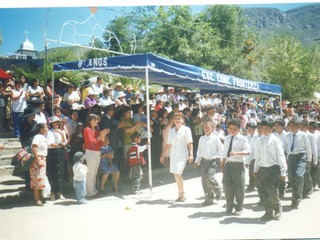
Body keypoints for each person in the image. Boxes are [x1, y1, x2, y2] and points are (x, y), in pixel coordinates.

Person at [253, 120, 287, 221]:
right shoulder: (258, 141)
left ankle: (277, 208)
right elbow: (257, 157)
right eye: (262, 128)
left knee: (272, 191)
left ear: (272, 129)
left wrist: (283, 171)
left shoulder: (276, 140)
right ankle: (268, 212)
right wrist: (255, 169)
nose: (264, 130)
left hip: (273, 169)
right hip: (262, 169)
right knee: (263, 192)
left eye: (266, 128)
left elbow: (281, 156)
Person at [160, 112, 193, 202]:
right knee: (175, 174)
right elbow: (168, 144)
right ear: (173, 121)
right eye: (176, 119)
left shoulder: (186, 129)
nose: (177, 120)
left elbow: (189, 142)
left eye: (179, 118)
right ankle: (179, 193)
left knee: (178, 173)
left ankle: (183, 192)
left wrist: (191, 154)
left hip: (182, 154)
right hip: (173, 155)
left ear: (183, 120)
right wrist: (163, 154)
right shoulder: (171, 131)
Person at [221, 118, 250, 216]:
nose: (232, 130)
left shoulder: (243, 138)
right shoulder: (227, 138)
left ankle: (239, 206)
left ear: (239, 129)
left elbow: (247, 151)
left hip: (238, 165)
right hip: (228, 165)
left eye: (234, 128)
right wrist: (222, 166)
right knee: (226, 185)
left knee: (239, 187)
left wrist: (237, 153)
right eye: (230, 128)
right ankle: (229, 204)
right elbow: (224, 154)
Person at [283, 119, 312, 209]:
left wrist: (309, 159)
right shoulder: (287, 136)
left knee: (299, 176)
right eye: (289, 126)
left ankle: (298, 196)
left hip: (301, 156)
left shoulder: (303, 135)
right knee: (291, 178)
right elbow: (283, 147)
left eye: (292, 126)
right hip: (291, 157)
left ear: (297, 126)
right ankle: (294, 199)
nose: (290, 128)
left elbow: (308, 147)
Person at [194, 121, 223, 207]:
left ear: (212, 128)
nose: (206, 129)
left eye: (208, 128)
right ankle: (209, 198)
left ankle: (218, 190)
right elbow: (199, 151)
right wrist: (197, 161)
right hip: (203, 161)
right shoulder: (201, 138)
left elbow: (221, 150)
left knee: (209, 178)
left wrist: (222, 161)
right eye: (204, 128)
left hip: (212, 161)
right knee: (204, 181)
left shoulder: (215, 138)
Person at [83, 114, 109, 197]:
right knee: (90, 173)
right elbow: (92, 142)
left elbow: (101, 142)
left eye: (97, 120)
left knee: (94, 173)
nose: (96, 122)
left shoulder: (96, 130)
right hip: (90, 152)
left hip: (97, 152)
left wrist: (103, 135)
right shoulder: (87, 129)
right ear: (89, 121)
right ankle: (89, 192)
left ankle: (93, 190)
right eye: (94, 120)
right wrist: (101, 135)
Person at [46, 116, 67, 200]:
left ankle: (60, 192)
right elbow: (51, 144)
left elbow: (64, 142)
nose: (57, 124)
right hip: (52, 153)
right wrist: (60, 144)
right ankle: (52, 193)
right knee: (52, 172)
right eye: (55, 123)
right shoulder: (49, 132)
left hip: (60, 152)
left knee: (60, 172)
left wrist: (62, 134)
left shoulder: (62, 131)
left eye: (58, 123)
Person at [30, 123, 50, 206]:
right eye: (45, 127)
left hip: (43, 158)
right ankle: (37, 199)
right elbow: (34, 148)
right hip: (38, 159)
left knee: (41, 178)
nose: (47, 128)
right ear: (41, 129)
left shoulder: (43, 137)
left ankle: (40, 197)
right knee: (37, 178)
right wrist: (38, 160)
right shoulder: (37, 137)